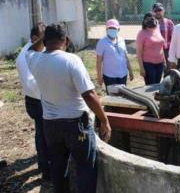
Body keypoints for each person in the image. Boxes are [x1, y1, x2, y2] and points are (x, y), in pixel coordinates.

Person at [26, 24, 111, 193]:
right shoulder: (71, 60)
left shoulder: (33, 59)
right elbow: (89, 95)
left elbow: (31, 48)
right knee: (85, 167)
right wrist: (104, 120)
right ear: (65, 40)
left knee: (58, 166)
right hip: (75, 125)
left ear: (45, 40)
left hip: (50, 125)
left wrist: (45, 38)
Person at [16, 22, 50, 180]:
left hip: (33, 99)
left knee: (41, 133)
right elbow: (32, 82)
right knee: (44, 136)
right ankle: (46, 169)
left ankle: (44, 165)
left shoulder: (29, 51)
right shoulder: (28, 55)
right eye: (44, 39)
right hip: (37, 100)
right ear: (35, 38)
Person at [96, 19, 134, 93]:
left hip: (123, 74)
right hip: (110, 76)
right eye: (110, 28)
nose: (112, 30)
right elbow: (99, 61)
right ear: (106, 29)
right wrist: (99, 77)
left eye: (114, 28)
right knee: (112, 97)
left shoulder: (122, 40)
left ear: (118, 29)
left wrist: (130, 71)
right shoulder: (102, 42)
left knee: (122, 96)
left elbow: (126, 57)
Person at [136, 14, 166, 85]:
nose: (152, 20)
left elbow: (161, 46)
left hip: (160, 64)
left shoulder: (157, 30)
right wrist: (141, 68)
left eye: (153, 18)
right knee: (151, 85)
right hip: (148, 64)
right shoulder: (142, 33)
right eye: (149, 19)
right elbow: (139, 53)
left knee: (157, 85)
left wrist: (164, 61)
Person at [152, 3, 174, 73]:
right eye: (156, 11)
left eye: (159, 10)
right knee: (155, 73)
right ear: (153, 12)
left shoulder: (169, 23)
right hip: (153, 52)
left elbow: (174, 38)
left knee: (168, 73)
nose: (158, 12)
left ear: (163, 11)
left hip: (166, 51)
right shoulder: (149, 23)